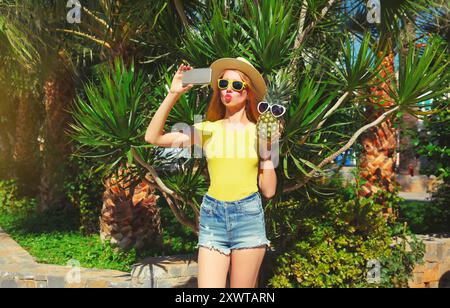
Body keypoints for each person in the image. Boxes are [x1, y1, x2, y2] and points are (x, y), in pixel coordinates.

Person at [145, 57, 279, 288]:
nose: (228, 90)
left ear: (248, 92)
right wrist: (174, 93)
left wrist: (267, 154)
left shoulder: (262, 132)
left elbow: (268, 190)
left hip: (248, 216)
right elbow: (153, 137)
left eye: (236, 86)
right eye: (223, 84)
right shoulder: (208, 129)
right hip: (213, 217)